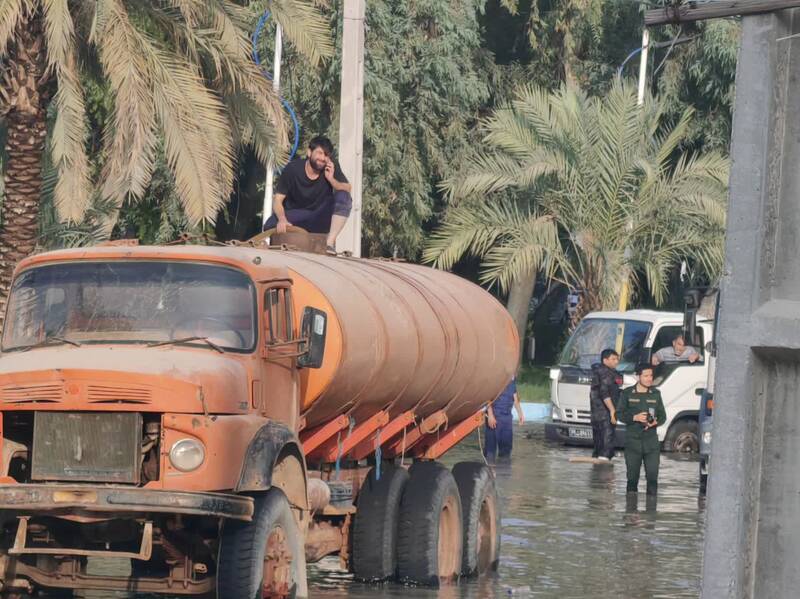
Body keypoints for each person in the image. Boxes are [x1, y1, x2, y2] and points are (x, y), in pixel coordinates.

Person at [263, 136, 352, 254]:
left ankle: (329, 243)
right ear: (309, 152)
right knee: (269, 225)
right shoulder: (293, 169)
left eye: (326, 155)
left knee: (344, 196)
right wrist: (282, 220)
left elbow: (348, 188)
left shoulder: (331, 166)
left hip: (320, 215)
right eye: (320, 153)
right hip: (297, 215)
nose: (323, 158)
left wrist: (331, 179)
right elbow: (278, 200)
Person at [616, 363, 666, 496]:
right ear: (638, 376)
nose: (649, 379)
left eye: (651, 376)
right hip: (633, 443)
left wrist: (655, 422)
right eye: (646, 376)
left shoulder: (656, 394)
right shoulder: (627, 393)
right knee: (632, 480)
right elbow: (618, 414)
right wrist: (635, 417)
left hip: (651, 443)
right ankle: (631, 507)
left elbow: (663, 416)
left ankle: (651, 508)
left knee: (652, 479)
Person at [589, 349, 622, 461]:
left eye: (617, 359)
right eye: (613, 359)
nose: (616, 361)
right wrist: (612, 410)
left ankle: (598, 464)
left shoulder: (599, 372)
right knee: (606, 442)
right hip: (606, 413)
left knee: (599, 442)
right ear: (605, 360)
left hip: (596, 413)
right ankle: (604, 464)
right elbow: (605, 393)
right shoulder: (605, 373)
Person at [484, 377, 525, 459]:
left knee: (506, 451)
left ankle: (504, 466)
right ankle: (489, 464)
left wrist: (520, 414)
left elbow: (515, 400)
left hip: (507, 419)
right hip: (494, 417)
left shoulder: (512, 382)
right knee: (490, 451)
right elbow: (486, 398)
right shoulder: (494, 378)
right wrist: (490, 415)